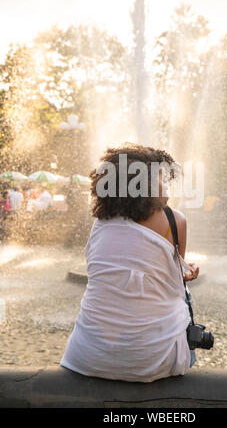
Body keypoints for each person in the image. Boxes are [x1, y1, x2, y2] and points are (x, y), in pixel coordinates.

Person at [60, 143, 200, 383]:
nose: (167, 185)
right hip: (155, 359)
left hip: (86, 356)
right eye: (161, 178)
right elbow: (175, 280)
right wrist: (185, 275)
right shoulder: (175, 220)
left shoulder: (100, 224)